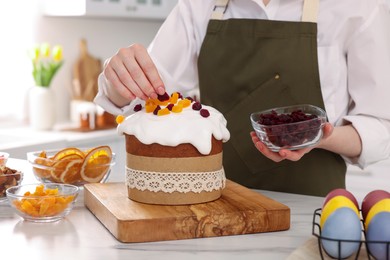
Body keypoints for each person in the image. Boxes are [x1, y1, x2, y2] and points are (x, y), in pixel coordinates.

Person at [95, 0, 390, 196]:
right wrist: (118, 76)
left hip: (313, 215)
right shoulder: (200, 5)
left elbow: (381, 125)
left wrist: (320, 136)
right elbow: (144, 99)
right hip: (215, 209)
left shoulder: (358, 5)